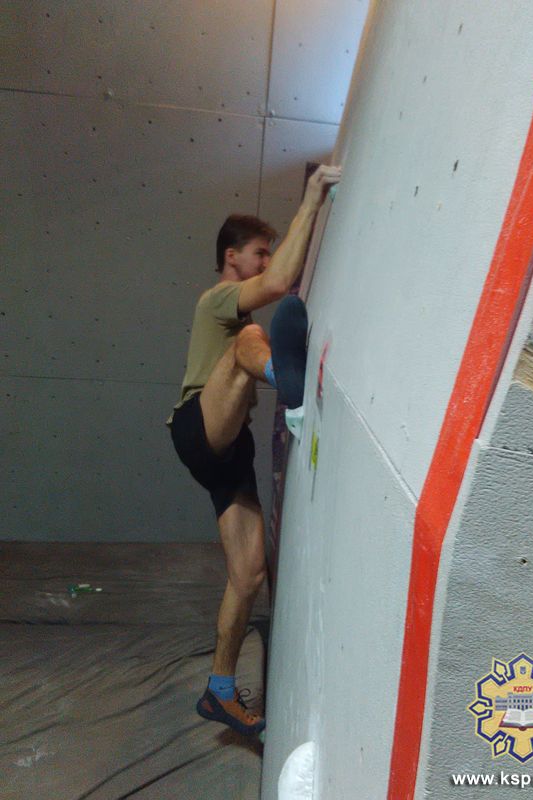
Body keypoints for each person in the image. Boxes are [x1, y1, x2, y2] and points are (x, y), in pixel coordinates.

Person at [167, 164, 342, 735]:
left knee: (249, 574)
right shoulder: (217, 300)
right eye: (259, 253)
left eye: (269, 253)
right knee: (250, 338)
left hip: (229, 451)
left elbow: (276, 280)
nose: (266, 262)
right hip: (198, 426)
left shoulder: (234, 308)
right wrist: (312, 197)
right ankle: (286, 383)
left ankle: (219, 691)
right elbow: (279, 284)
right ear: (231, 257)